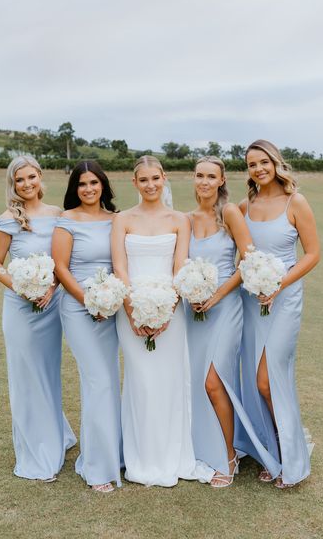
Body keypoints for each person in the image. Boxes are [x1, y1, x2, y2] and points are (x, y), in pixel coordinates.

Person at [185, 156, 281, 487]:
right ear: (193, 179)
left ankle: (229, 456)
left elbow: (248, 260)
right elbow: (181, 267)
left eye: (212, 176)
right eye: (200, 175)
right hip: (194, 311)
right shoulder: (188, 219)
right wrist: (191, 292)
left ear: (222, 180)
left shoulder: (229, 214)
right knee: (198, 383)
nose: (205, 182)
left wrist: (215, 296)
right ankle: (203, 446)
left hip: (226, 308)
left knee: (215, 382)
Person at [111, 155, 204, 487]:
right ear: (134, 183)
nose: (150, 185)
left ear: (164, 178)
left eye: (155, 178)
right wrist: (132, 309)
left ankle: (169, 455)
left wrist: (165, 311)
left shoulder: (180, 219)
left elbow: (180, 267)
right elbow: (119, 267)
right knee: (140, 382)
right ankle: (140, 458)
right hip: (130, 310)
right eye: (143, 180)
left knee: (168, 380)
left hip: (170, 312)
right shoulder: (122, 220)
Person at [0, 155, 76, 481]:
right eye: (19, 180)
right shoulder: (7, 219)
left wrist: (51, 287)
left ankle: (57, 433)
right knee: (26, 377)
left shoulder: (57, 215)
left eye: (31, 177)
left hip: (51, 305)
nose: (26, 185)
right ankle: (37, 454)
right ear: (13, 184)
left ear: (40, 177)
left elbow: (61, 260)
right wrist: (22, 287)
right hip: (21, 308)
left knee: (48, 373)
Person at [239, 140, 320, 488]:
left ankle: (292, 460)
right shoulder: (245, 205)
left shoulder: (295, 202)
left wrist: (279, 285)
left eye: (263, 162)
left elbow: (313, 254)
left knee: (269, 379)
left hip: (284, 300)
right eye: (252, 165)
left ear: (275, 163)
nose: (258, 169)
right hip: (251, 302)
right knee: (257, 382)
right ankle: (272, 451)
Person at [52, 160, 122, 493]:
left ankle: (110, 453)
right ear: (74, 189)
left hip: (110, 311)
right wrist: (88, 301)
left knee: (107, 380)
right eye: (82, 184)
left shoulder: (115, 219)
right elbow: (61, 268)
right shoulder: (67, 220)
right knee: (98, 381)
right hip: (79, 308)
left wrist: (109, 302)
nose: (89, 189)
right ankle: (96, 468)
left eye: (94, 183)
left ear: (103, 185)